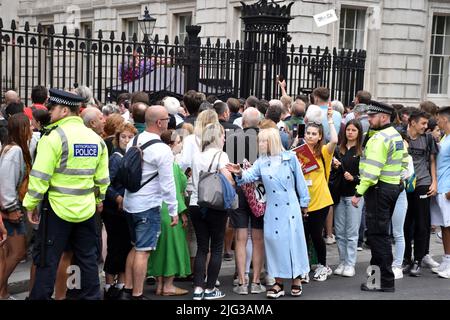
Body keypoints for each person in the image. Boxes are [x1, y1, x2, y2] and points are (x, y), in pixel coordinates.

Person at [23, 88, 110, 300]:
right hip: (87, 210)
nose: (50, 113)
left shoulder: (53, 138)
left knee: (47, 261)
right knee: (88, 260)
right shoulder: (95, 139)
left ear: (63, 111)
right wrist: (99, 200)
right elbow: (102, 179)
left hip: (57, 210)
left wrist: (31, 204)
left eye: (52, 109)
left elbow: (40, 176)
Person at [227, 127, 310, 299]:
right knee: (274, 243)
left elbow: (301, 182)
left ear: (272, 141)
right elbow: (249, 176)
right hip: (272, 208)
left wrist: (304, 203)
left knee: (292, 242)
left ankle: (296, 280)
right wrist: (240, 171)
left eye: (264, 140)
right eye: (260, 140)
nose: (261, 143)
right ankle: (278, 282)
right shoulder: (261, 161)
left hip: (290, 206)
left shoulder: (290, 158)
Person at [122, 105, 178, 300]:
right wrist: (173, 209)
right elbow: (168, 183)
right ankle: (137, 294)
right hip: (147, 205)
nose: (168, 120)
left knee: (134, 246)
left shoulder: (134, 141)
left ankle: (127, 289)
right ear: (159, 122)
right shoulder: (162, 149)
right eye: (166, 117)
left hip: (130, 202)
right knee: (142, 251)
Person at [351, 100, 407, 292]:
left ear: (384, 117)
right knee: (378, 236)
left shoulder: (379, 138)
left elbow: (371, 172)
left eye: (372, 116)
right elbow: (405, 163)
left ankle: (384, 281)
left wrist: (358, 192)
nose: (369, 119)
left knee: (378, 237)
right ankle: (375, 281)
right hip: (391, 189)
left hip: (378, 190)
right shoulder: (396, 135)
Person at [190, 123, 235, 300]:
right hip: (215, 205)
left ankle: (198, 288)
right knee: (216, 247)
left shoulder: (197, 154)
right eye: (223, 135)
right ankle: (210, 289)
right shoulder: (220, 155)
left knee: (202, 247)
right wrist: (234, 177)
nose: (224, 138)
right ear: (217, 137)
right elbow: (228, 179)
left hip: (196, 202)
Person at [296, 105, 338, 282]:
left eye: (314, 134)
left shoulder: (323, 152)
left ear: (320, 136)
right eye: (308, 133)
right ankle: (304, 266)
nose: (310, 136)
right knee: (302, 236)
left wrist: (330, 120)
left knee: (316, 235)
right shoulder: (298, 152)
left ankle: (323, 265)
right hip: (302, 201)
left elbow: (335, 141)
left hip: (320, 201)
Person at [147, 129, 190, 297]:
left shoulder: (155, 162)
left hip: (156, 208)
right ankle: (169, 285)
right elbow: (176, 190)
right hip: (171, 210)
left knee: (158, 249)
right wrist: (182, 212)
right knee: (173, 248)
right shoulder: (171, 164)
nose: (180, 145)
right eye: (179, 142)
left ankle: (159, 285)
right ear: (170, 145)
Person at [102, 122, 136, 300]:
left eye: (130, 137)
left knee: (124, 246)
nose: (126, 140)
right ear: (117, 138)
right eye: (123, 136)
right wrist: (117, 198)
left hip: (125, 209)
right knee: (116, 246)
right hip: (114, 210)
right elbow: (106, 184)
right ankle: (109, 284)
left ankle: (121, 282)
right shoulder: (116, 158)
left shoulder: (129, 156)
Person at [0, 114, 32, 299]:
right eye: (28, 126)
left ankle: (3, 293)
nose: (31, 130)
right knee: (18, 251)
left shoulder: (11, 148)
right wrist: (11, 209)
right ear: (22, 129)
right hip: (10, 209)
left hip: (9, 207)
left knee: (9, 253)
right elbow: (6, 182)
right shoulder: (15, 151)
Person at [403, 110, 439, 276]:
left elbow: (432, 161)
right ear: (412, 123)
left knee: (422, 223)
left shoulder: (428, 138)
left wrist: (434, 182)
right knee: (405, 223)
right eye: (423, 123)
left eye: (427, 123)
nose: (426, 126)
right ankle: (406, 259)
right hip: (404, 185)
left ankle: (418, 259)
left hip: (423, 184)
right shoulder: (401, 136)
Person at [332, 120, 364, 277]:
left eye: (354, 130)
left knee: (351, 232)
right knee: (339, 231)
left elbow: (367, 175)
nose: (350, 132)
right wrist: (336, 166)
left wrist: (355, 178)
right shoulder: (339, 149)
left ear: (359, 133)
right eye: (348, 130)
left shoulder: (362, 151)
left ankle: (350, 263)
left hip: (354, 194)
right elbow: (334, 174)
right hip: (339, 194)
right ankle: (342, 261)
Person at [430, 106, 450, 278]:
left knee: (449, 227)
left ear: (445, 119)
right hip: (441, 188)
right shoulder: (445, 137)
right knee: (444, 227)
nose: (437, 122)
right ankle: (446, 260)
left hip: (448, 189)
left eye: (439, 119)